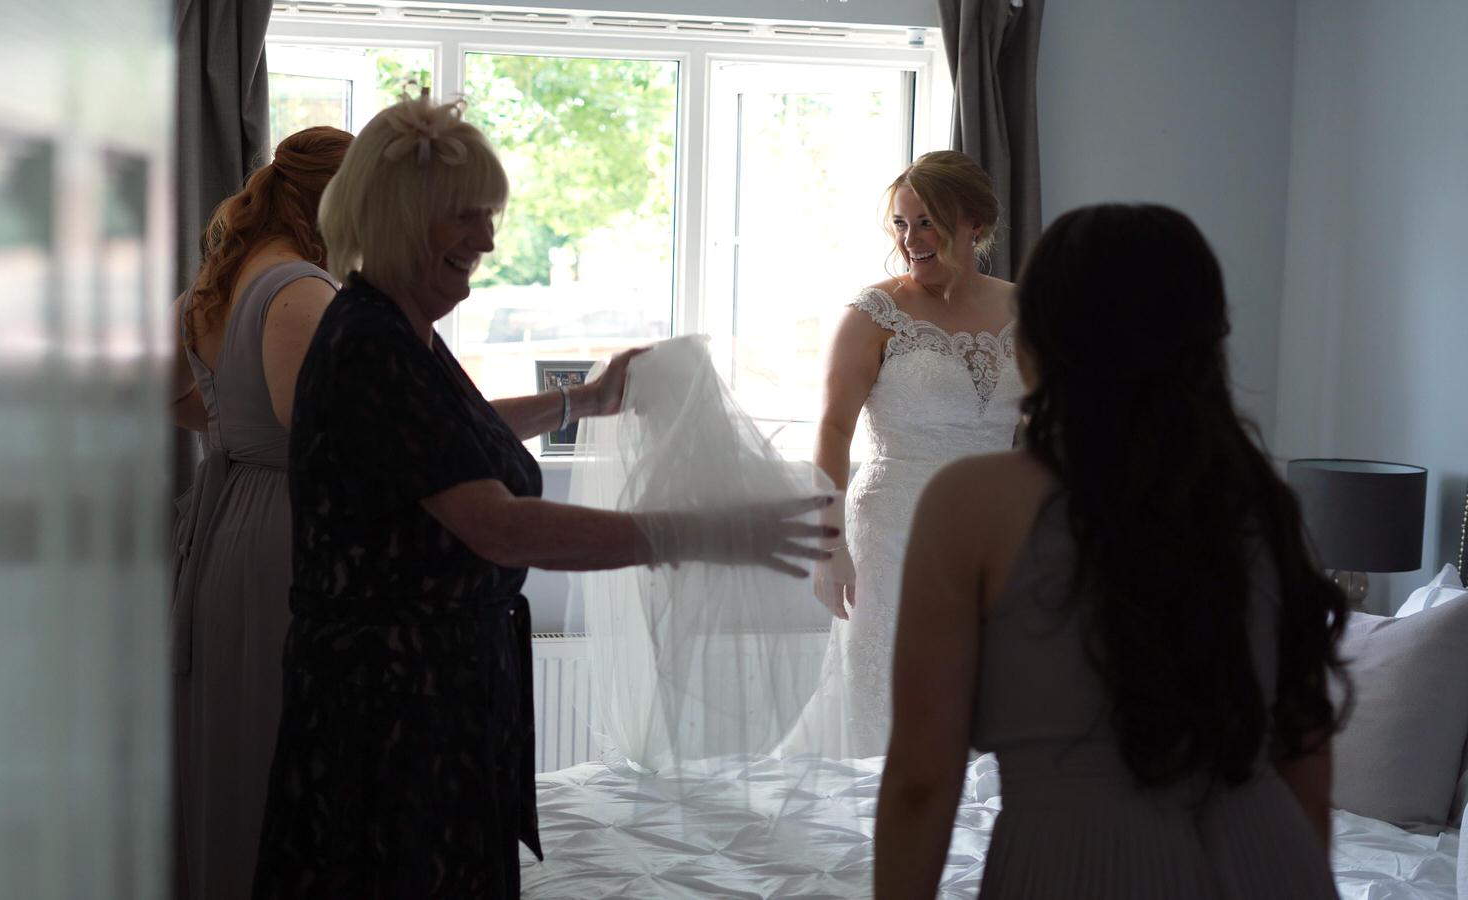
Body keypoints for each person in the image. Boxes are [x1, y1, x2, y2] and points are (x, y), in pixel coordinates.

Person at [250, 88, 835, 899]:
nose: (488, 239)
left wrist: (583, 402)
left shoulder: (394, 329)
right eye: (466, 216)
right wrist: (696, 533)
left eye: (490, 216)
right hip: (390, 716)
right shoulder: (369, 343)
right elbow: (502, 530)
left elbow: (447, 434)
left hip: (422, 694)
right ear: (397, 215)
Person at [875, 204, 1351, 899]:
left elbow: (923, 777)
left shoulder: (970, 504)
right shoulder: (1254, 499)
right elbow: (1305, 750)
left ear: (1034, 338)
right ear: (1203, 344)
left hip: (1073, 864)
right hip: (1267, 853)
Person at [168, 125, 352, 900]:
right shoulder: (301, 289)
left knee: (237, 735)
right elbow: (339, 442)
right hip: (285, 528)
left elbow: (169, 397)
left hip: (226, 516)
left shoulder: (218, 281)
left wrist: (235, 435)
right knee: (282, 743)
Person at [794, 150, 1025, 758]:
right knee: (890, 696)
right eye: (900, 223)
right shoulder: (874, 314)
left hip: (997, 535)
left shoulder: (1026, 310)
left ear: (973, 222)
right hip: (894, 530)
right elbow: (833, 428)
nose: (910, 240)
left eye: (927, 223)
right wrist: (829, 544)